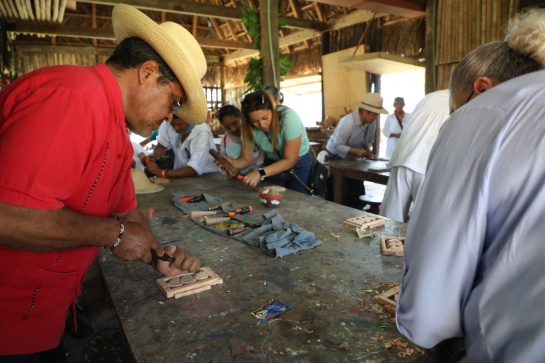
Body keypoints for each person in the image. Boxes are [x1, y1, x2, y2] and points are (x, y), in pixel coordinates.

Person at [0, 5, 203, 361]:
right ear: (148, 72)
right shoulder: (75, 96)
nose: (170, 116)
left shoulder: (116, 131)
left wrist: (157, 255)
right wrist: (115, 235)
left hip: (41, 315)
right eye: (173, 101)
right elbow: (9, 215)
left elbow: (129, 215)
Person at [396, 9, 545, 362]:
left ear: (480, 88)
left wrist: (423, 325)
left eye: (456, 108)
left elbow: (428, 309)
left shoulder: (485, 111)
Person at [379, 90, 450, 222]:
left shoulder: (429, 98)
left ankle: (383, 241)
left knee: (389, 219)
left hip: (403, 159)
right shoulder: (463, 103)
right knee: (422, 222)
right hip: (425, 165)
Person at [225, 90, 313, 194]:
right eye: (255, 121)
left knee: (299, 201)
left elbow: (290, 160)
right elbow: (245, 159)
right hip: (272, 163)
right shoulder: (248, 127)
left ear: (273, 110)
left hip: (300, 164)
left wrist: (259, 173)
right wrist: (233, 163)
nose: (261, 124)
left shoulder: (289, 118)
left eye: (265, 118)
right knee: (272, 200)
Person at [324, 93, 388, 208]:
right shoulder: (347, 122)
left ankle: (356, 210)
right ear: (364, 111)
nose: (376, 118)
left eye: (377, 115)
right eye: (374, 115)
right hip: (336, 157)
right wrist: (356, 151)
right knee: (343, 194)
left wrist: (367, 149)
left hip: (353, 159)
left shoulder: (371, 123)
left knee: (356, 190)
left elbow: (368, 141)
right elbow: (337, 146)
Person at [146, 115, 221, 178]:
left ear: (189, 119)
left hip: (207, 178)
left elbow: (194, 169)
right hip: (181, 177)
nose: (176, 128)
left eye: (179, 124)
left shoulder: (202, 133)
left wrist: (163, 173)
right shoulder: (168, 123)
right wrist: (154, 156)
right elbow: (162, 146)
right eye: (173, 125)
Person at [216, 104, 265, 175]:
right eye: (227, 127)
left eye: (235, 123)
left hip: (260, 176)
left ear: (242, 118)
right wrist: (230, 169)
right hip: (238, 180)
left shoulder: (254, 134)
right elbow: (226, 162)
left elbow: (261, 162)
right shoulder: (225, 140)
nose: (233, 129)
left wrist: (252, 173)